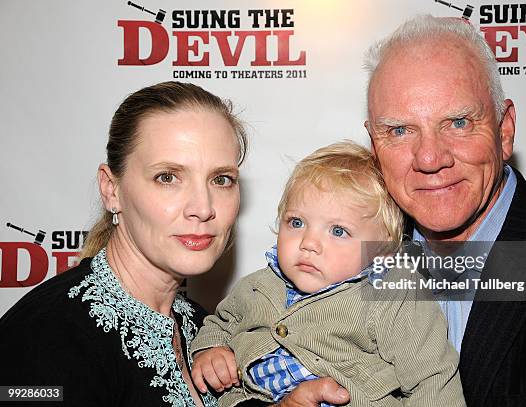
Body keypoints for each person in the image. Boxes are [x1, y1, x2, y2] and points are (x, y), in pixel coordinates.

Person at [363, 15, 526, 407]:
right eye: (399, 130)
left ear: (505, 130)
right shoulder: (348, 266)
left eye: (458, 122)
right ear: (374, 148)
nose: (430, 158)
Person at [0, 81, 248, 406]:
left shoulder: (204, 327)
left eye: (221, 179)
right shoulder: (46, 336)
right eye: (168, 177)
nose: (203, 207)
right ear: (111, 190)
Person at [189, 141, 465, 407]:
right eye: (296, 222)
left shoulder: (393, 296)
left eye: (337, 231)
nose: (308, 242)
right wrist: (210, 350)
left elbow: (432, 379)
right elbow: (220, 324)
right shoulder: (257, 286)